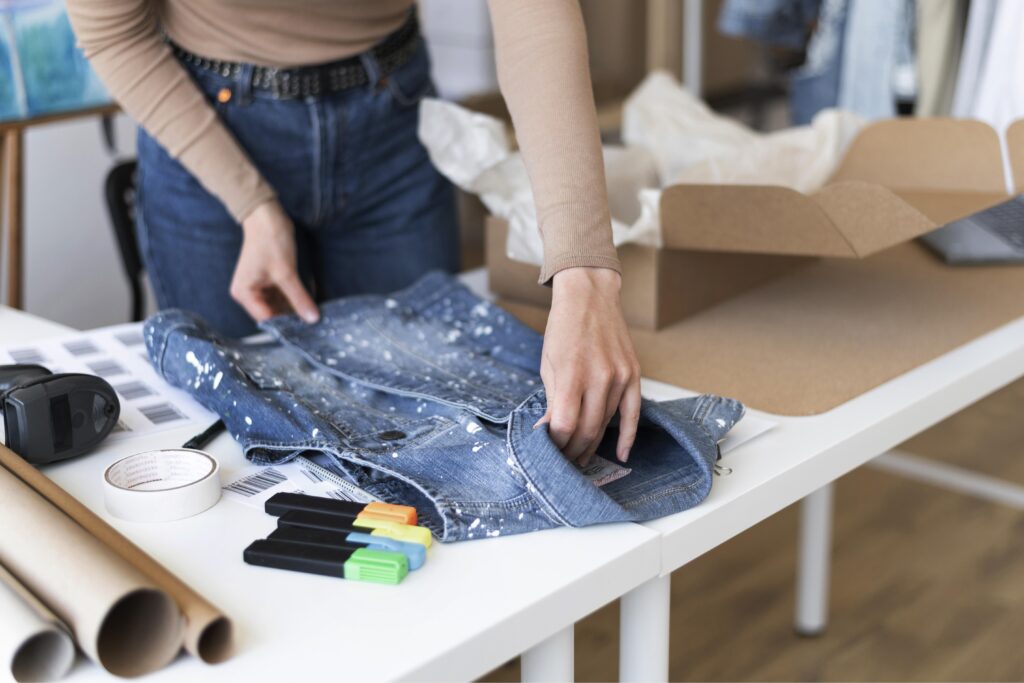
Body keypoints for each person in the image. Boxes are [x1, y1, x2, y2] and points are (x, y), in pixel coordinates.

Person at [67, 0, 642, 466]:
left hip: (388, 112)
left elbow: (535, 17)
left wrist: (584, 271)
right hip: (206, 124)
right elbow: (113, 30)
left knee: (440, 432)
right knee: (231, 448)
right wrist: (251, 204)